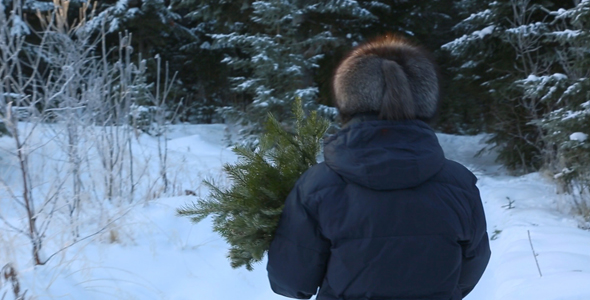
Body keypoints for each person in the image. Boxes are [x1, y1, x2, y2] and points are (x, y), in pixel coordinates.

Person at [266, 35, 491, 300]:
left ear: (349, 100)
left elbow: (292, 281)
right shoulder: (459, 183)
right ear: (423, 102)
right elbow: (473, 265)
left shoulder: (316, 185)